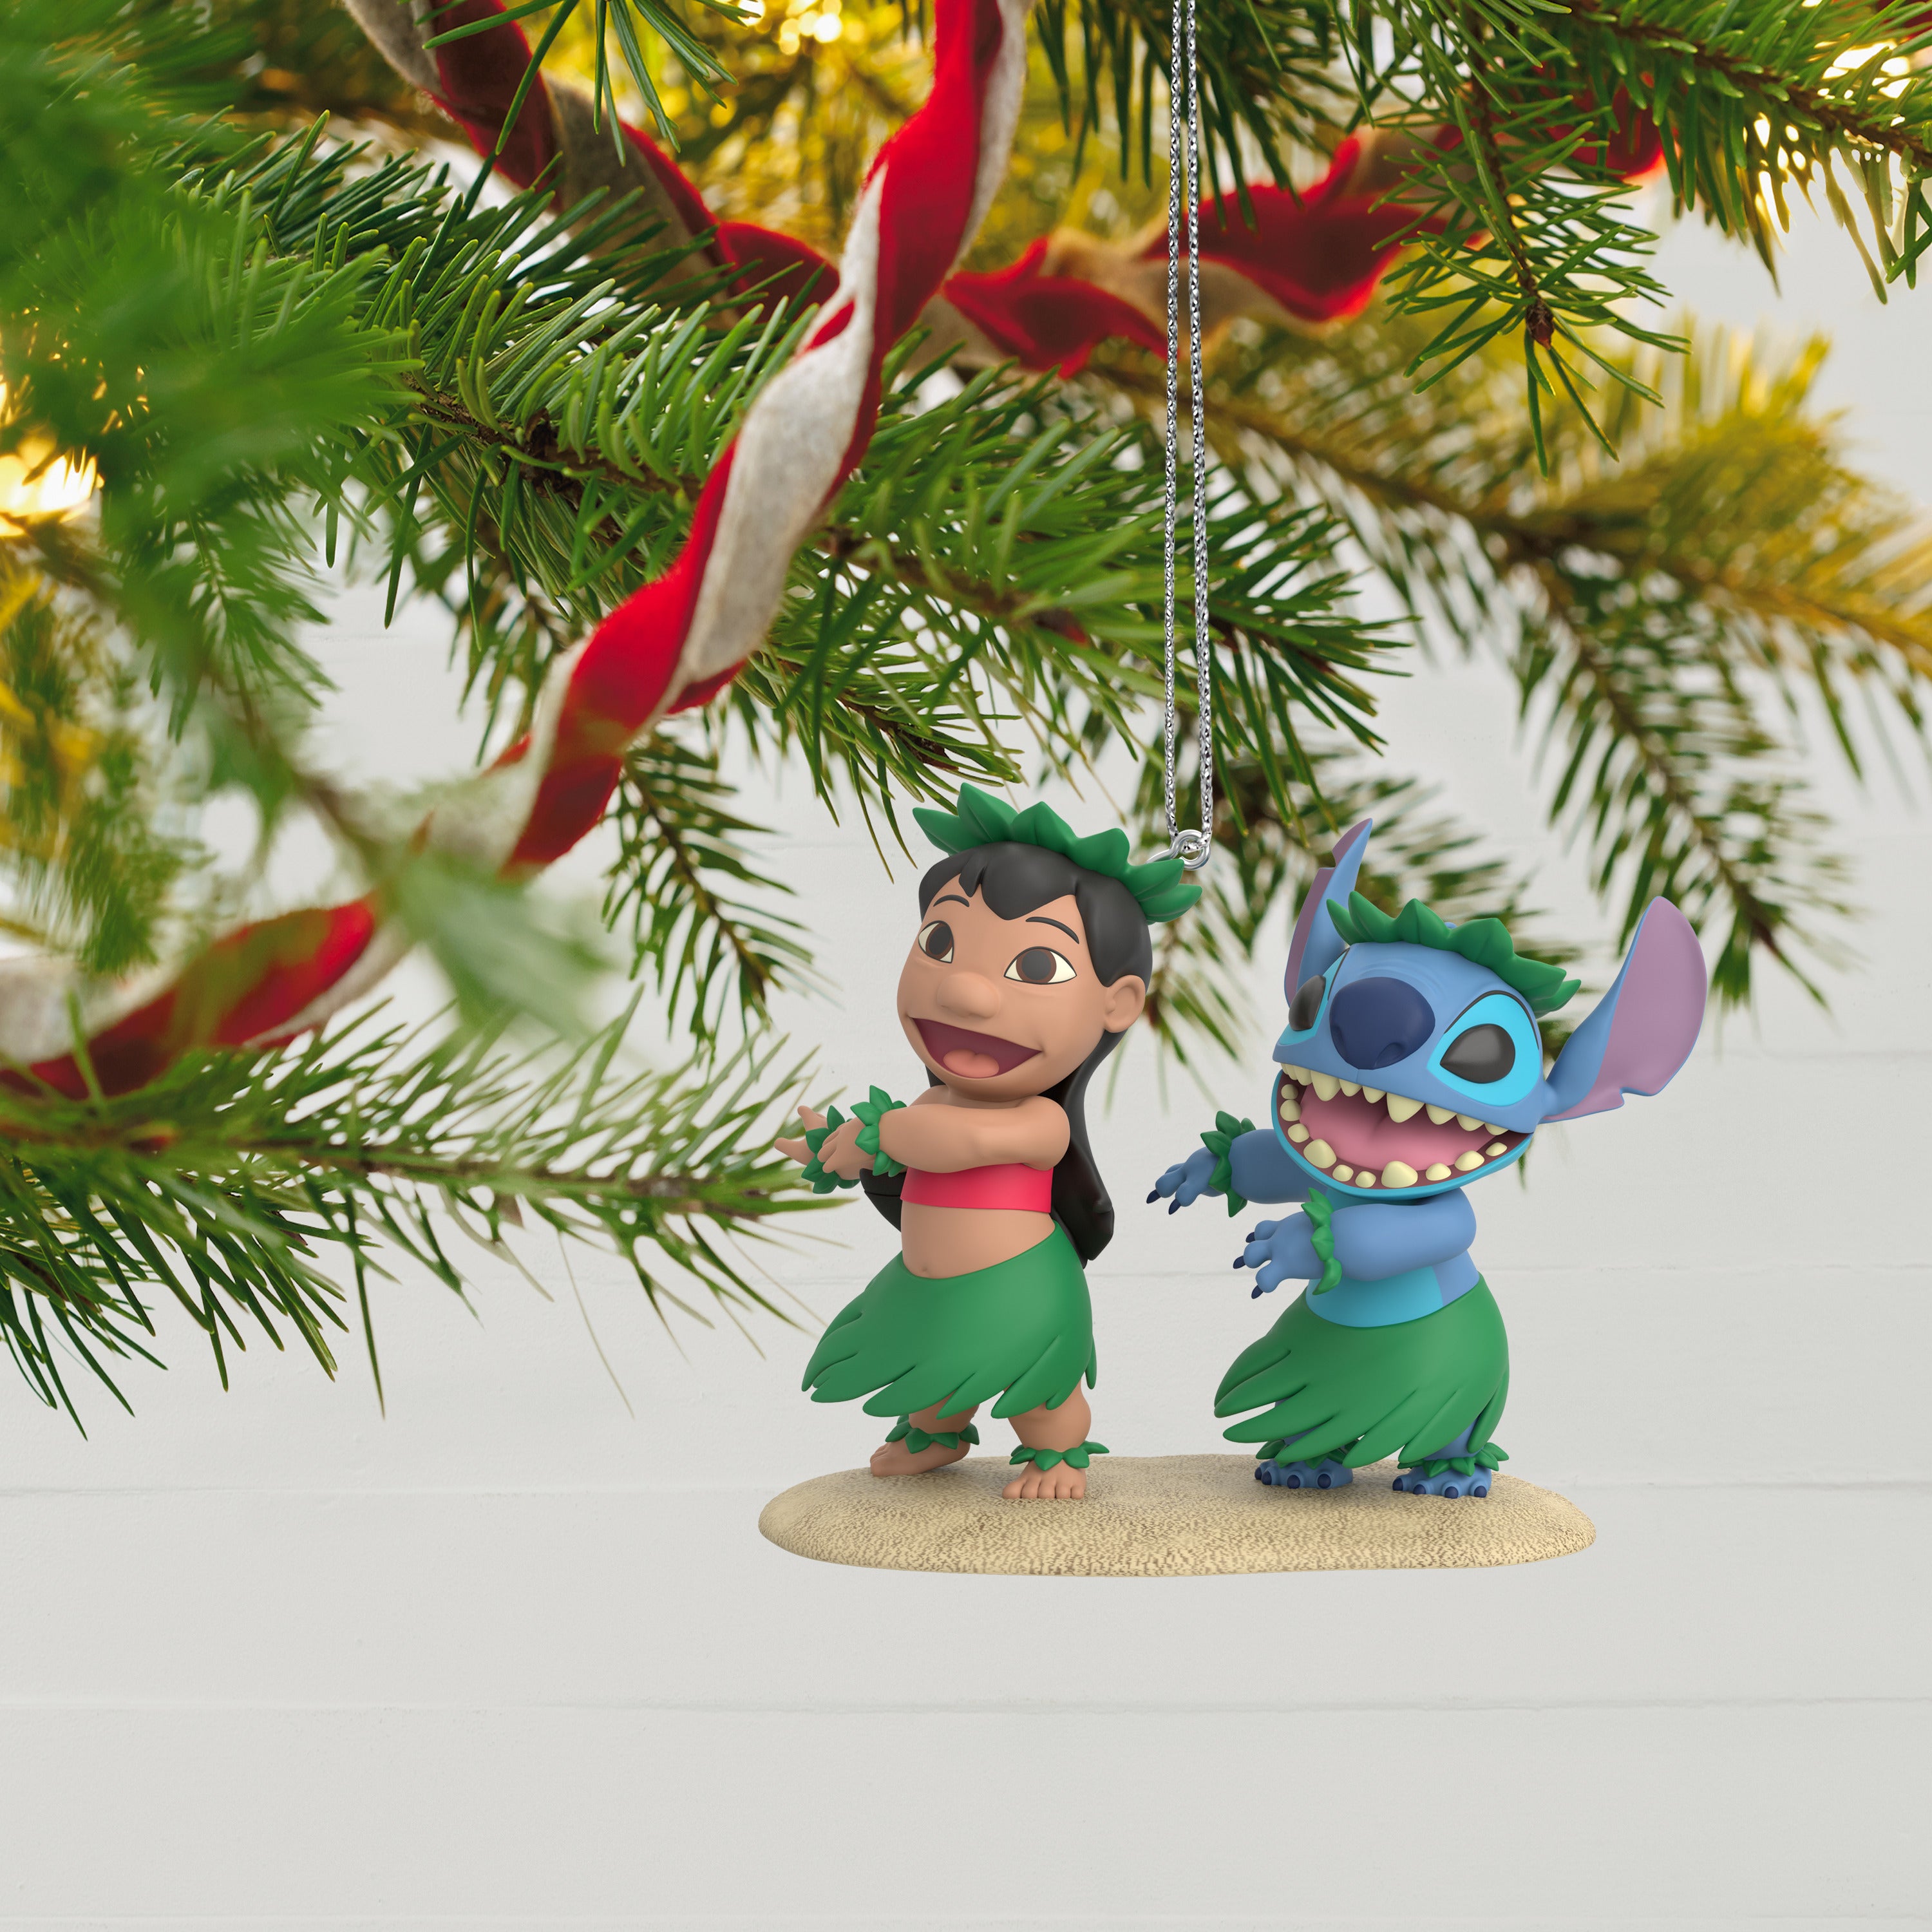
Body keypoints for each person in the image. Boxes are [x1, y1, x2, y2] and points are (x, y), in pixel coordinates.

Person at [781, 785, 1197, 1499]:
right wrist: (832, 1147)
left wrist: (878, 1135)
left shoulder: (1041, 1122)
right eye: (939, 944)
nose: (965, 993)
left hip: (1018, 1286)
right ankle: (936, 1434)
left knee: (1036, 1387)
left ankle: (1059, 1454)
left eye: (1037, 967)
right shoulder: (927, 1104)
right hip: (926, 1281)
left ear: (1117, 1003)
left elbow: (957, 1142)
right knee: (932, 1366)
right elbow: (908, 1142)